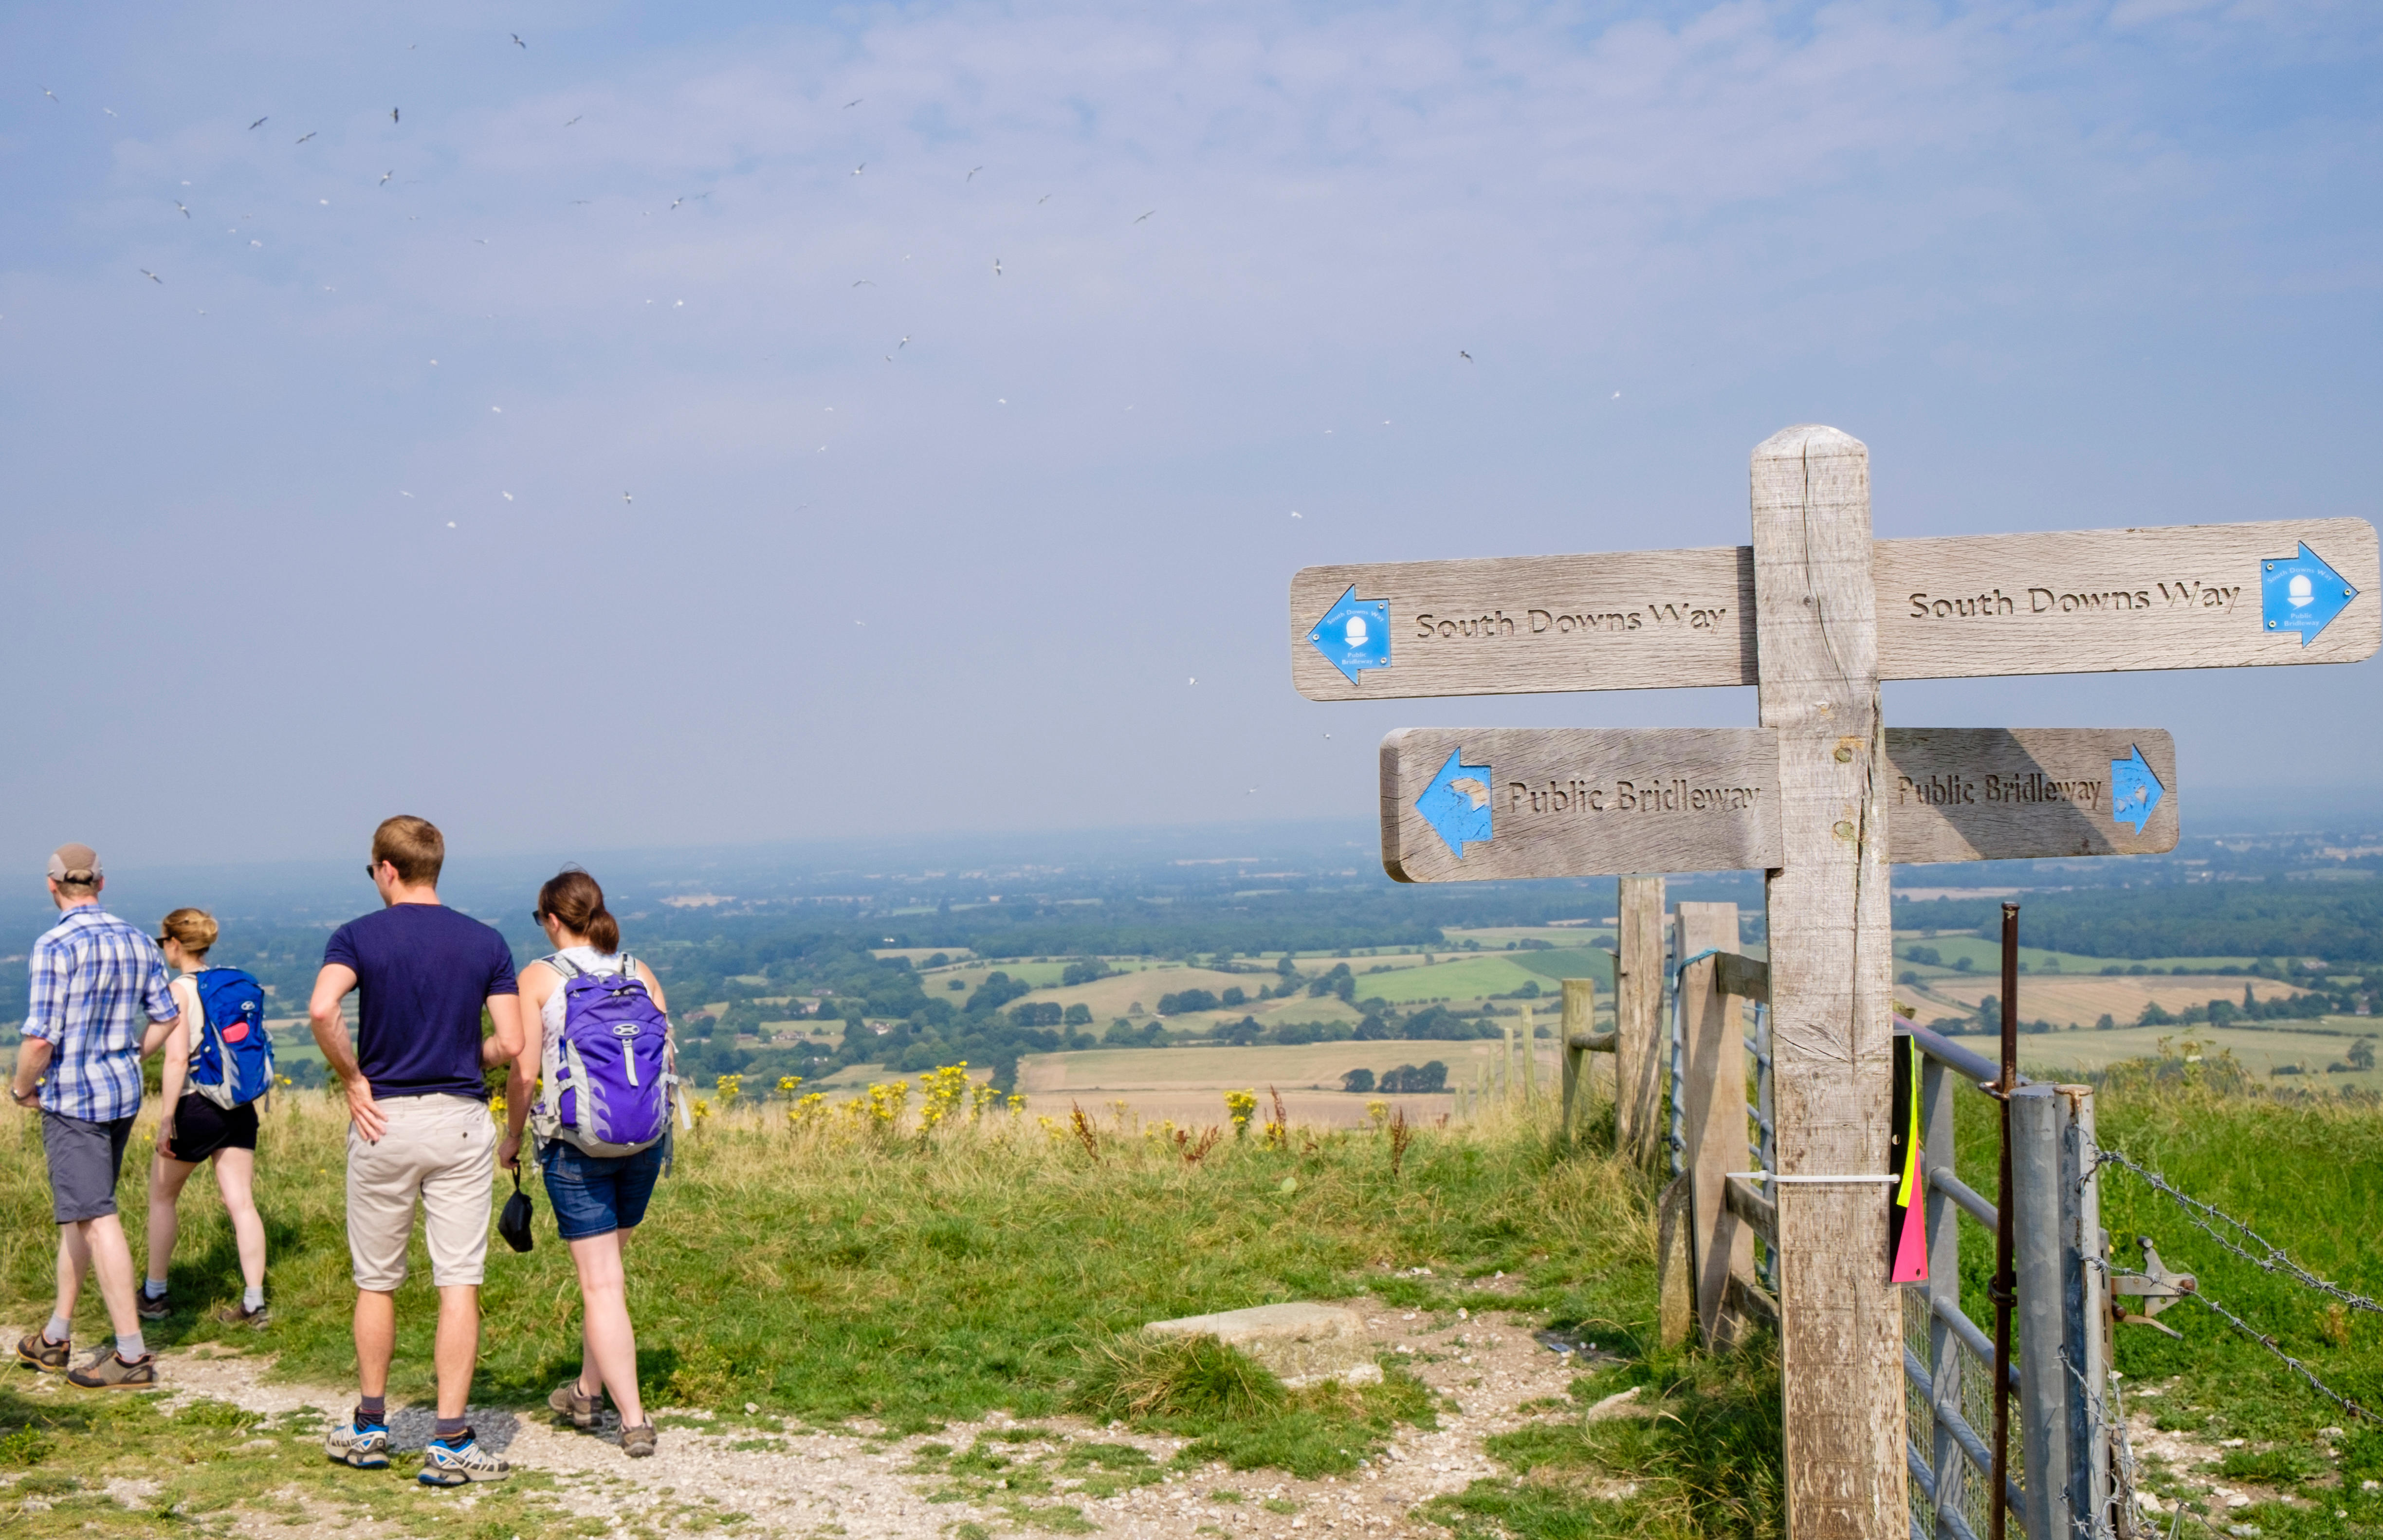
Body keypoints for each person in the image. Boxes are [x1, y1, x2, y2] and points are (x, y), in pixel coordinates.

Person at [308, 817, 524, 1487]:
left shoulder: (357, 936)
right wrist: (467, 1053)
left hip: (383, 1121)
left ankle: (371, 1427)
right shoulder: (485, 941)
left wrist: (352, 1078)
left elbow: (322, 1010)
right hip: (459, 1119)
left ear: (386, 869)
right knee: (458, 1280)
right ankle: (451, 1439)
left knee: (378, 1279)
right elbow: (512, 1044)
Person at [499, 868, 672, 1459]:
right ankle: (585, 1391)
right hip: (643, 1141)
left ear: (552, 919)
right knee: (610, 1284)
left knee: (601, 1286)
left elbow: (524, 1071)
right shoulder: (638, 970)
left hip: (577, 1146)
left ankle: (633, 1419)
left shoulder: (540, 977)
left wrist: (512, 1137)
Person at [10, 844, 182, 1389]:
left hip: (73, 1100)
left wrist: (20, 1088)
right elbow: (166, 1016)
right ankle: (56, 1336)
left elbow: (40, 1038)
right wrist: (133, 1056)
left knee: (97, 1216)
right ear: (101, 884)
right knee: (82, 1211)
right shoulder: (136, 938)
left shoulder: (54, 943)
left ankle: (131, 1355)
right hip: (121, 1096)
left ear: (52, 885)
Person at [139, 908, 271, 1327]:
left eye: (164, 942)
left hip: (196, 1104)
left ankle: (154, 1295)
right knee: (242, 1203)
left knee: (162, 1196)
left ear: (175, 944)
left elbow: (177, 1059)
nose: (164, 950)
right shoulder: (227, 983)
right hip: (237, 1106)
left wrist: (166, 1119)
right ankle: (254, 1303)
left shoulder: (178, 990)